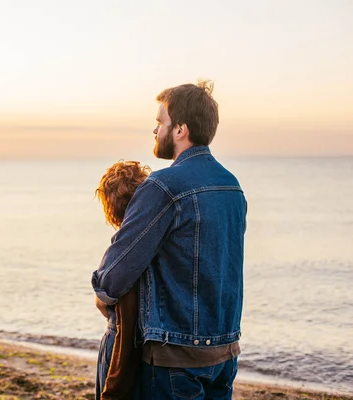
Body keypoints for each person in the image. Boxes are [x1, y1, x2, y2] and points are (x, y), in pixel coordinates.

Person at [91, 81, 247, 399]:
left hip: (175, 360)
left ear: (180, 130)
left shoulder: (164, 186)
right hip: (225, 354)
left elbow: (114, 276)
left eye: (160, 122)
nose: (155, 129)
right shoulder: (232, 186)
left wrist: (102, 295)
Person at [94, 160, 151, 400]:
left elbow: (101, 299)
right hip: (153, 345)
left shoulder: (122, 245)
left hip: (118, 338)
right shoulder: (158, 237)